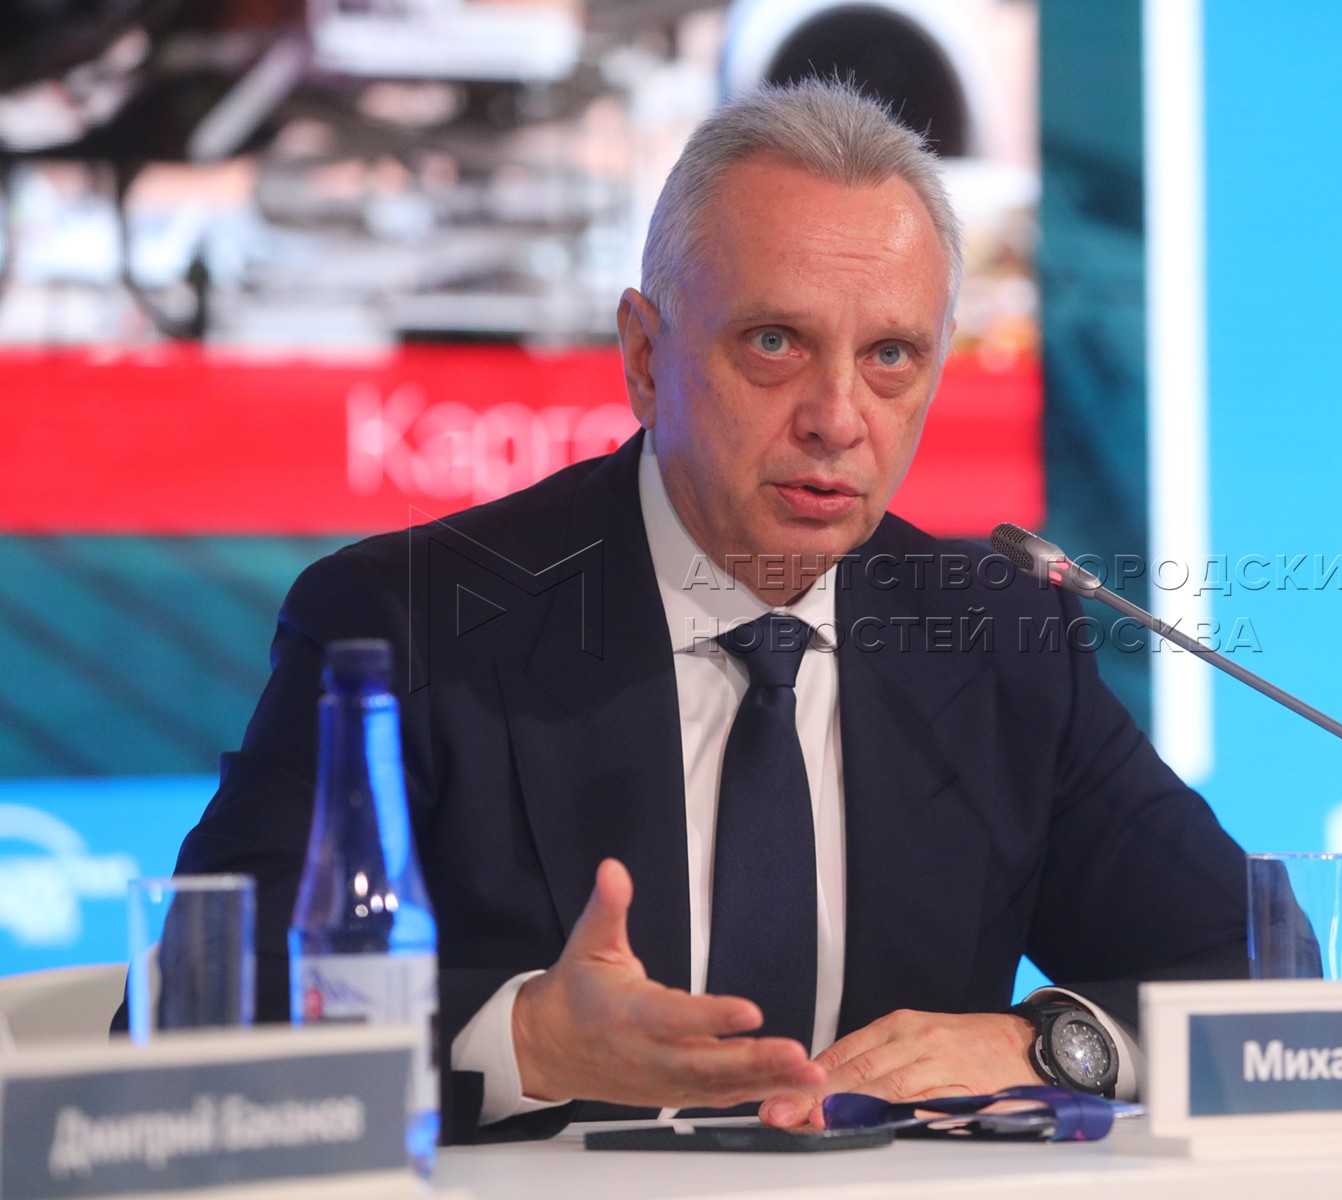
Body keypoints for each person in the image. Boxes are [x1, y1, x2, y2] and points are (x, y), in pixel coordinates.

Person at [168, 79, 1250, 1143]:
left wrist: (1048, 1048)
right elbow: (193, 1016)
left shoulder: (998, 638)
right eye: (775, 342)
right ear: (646, 358)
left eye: (890, 356)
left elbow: (1250, 967)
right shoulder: (405, 625)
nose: (838, 419)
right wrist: (524, 1041)